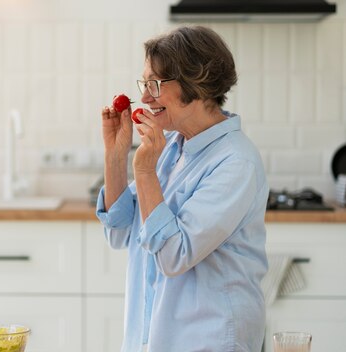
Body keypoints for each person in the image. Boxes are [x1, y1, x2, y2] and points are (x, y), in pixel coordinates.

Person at [96, 25, 268, 352]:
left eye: (155, 85)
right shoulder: (173, 146)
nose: (145, 98)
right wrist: (116, 156)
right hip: (157, 338)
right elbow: (120, 233)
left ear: (196, 83)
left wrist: (144, 168)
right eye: (144, 84)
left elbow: (174, 256)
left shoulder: (235, 162)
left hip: (208, 340)